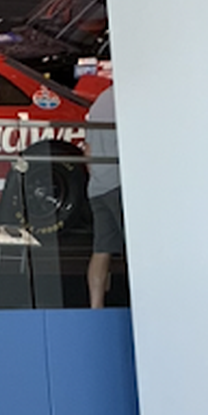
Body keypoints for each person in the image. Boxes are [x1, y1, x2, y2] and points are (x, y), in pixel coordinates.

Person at [85, 77, 124, 309]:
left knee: (101, 250)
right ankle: (142, 304)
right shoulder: (127, 100)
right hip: (119, 184)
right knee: (135, 249)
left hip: (98, 186)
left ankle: (96, 306)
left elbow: (88, 150)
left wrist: (97, 177)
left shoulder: (100, 102)